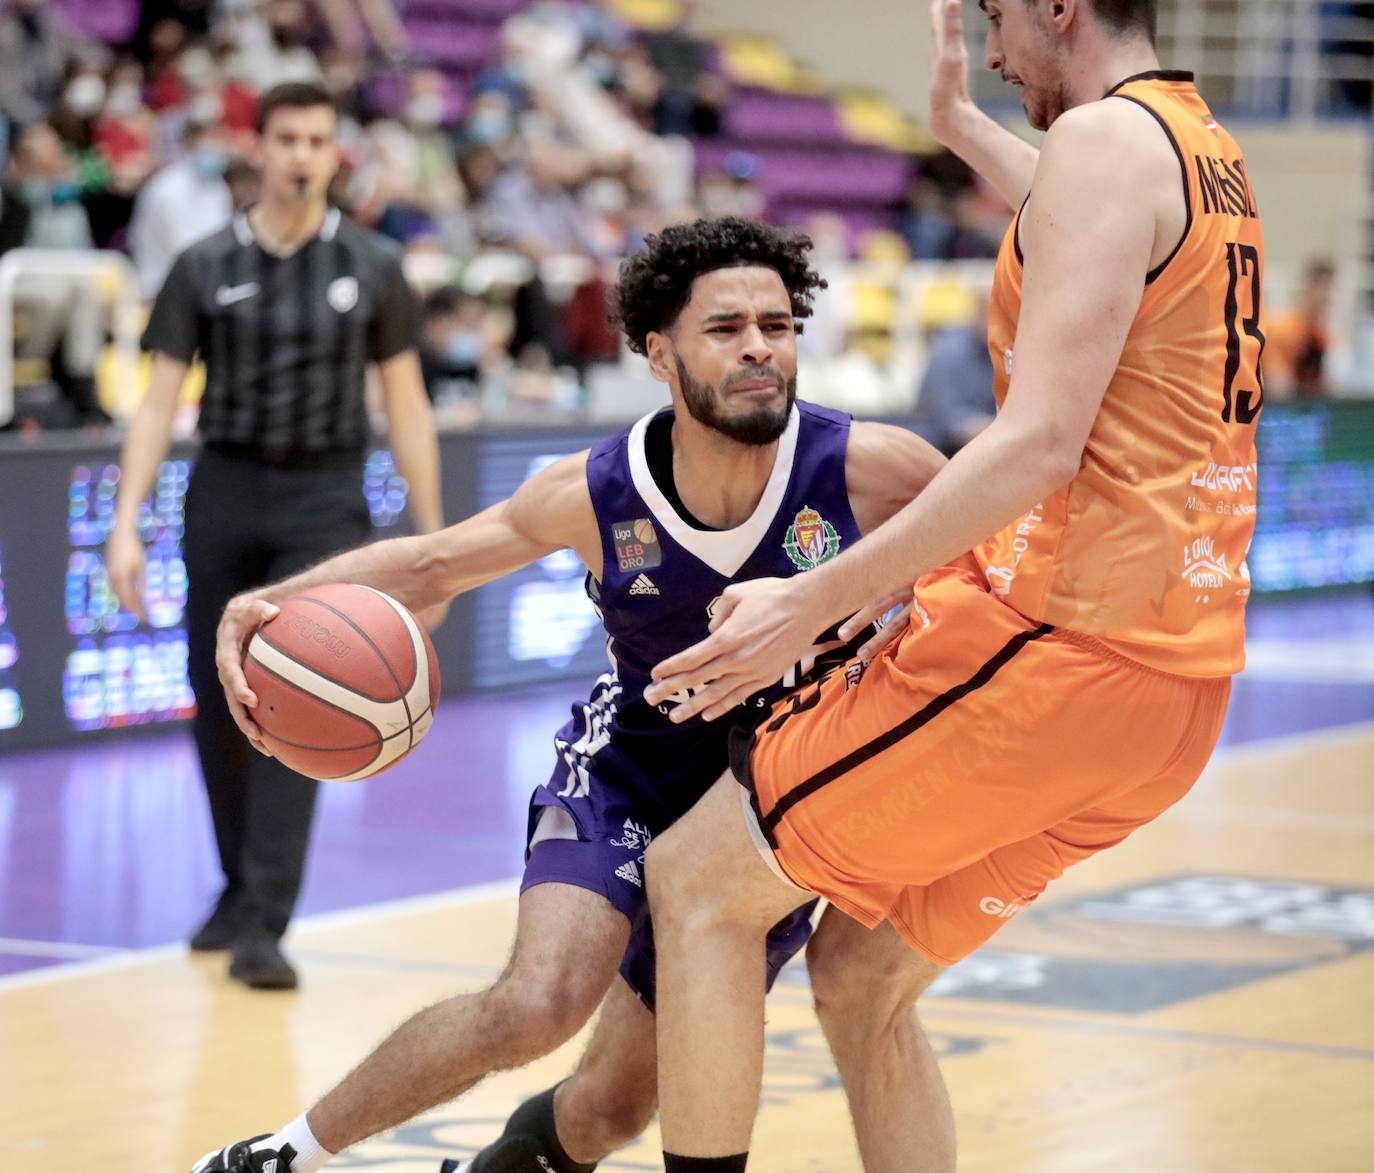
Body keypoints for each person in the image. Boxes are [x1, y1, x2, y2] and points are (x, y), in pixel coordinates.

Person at [636, 1, 1265, 1170]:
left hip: (1059, 652)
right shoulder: (1194, 146)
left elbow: (1035, 447)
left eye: (995, 18)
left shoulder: (1101, 143)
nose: (989, 45)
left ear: (1059, 7)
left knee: (698, 884)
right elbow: (1097, 225)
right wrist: (966, 130)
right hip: (1173, 693)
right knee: (862, 975)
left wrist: (809, 605)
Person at [186, 217, 945, 1173]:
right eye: (726, 328)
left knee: (610, 1110)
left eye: (778, 323)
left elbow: (994, 576)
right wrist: (266, 606)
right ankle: (281, 1154)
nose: (760, 345)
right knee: (534, 1003)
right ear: (659, 352)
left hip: (775, 803)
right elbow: (430, 567)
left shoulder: (875, 472)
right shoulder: (596, 490)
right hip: (631, 767)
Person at [106, 81, 443, 991]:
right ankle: (232, 888)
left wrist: (433, 537)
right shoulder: (205, 263)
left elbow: (406, 404)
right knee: (216, 696)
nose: (302, 155)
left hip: (325, 501)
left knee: (300, 690)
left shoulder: (374, 265)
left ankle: (265, 917)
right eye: (288, 138)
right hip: (225, 486)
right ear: (257, 148)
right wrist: (124, 524)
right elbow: (158, 399)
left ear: (337, 153)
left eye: (318, 140)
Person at [127, 116, 235, 298]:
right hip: (160, 292)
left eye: (219, 138)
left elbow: (225, 241)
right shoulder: (168, 190)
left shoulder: (218, 187)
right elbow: (188, 255)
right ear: (190, 142)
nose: (216, 146)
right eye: (209, 139)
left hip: (205, 290)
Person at [1264, 258, 1334, 399]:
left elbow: (1324, 386)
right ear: (1310, 288)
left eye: (1332, 290)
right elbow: (1278, 388)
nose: (1328, 298)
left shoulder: (1322, 335)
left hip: (1306, 406)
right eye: (1324, 289)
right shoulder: (1283, 329)